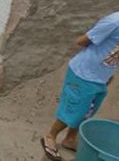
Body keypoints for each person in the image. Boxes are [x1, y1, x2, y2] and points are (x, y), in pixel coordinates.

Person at [41, 12, 119, 161]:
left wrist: (108, 74)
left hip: (100, 77)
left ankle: (70, 139)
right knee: (74, 110)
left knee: (87, 111)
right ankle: (50, 136)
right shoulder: (114, 22)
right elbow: (82, 41)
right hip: (83, 73)